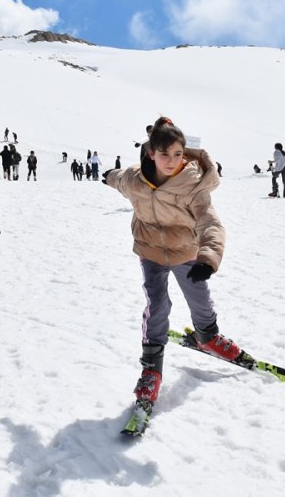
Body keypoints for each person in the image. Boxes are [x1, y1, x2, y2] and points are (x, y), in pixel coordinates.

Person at [102, 116, 241, 423]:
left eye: (178, 154)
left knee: (199, 298)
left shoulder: (191, 186)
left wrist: (207, 258)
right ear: (151, 152)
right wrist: (109, 175)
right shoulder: (136, 179)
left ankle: (208, 336)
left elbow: (211, 223)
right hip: (150, 250)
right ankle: (151, 370)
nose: (172, 161)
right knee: (157, 304)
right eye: (164, 154)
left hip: (186, 252)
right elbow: (120, 178)